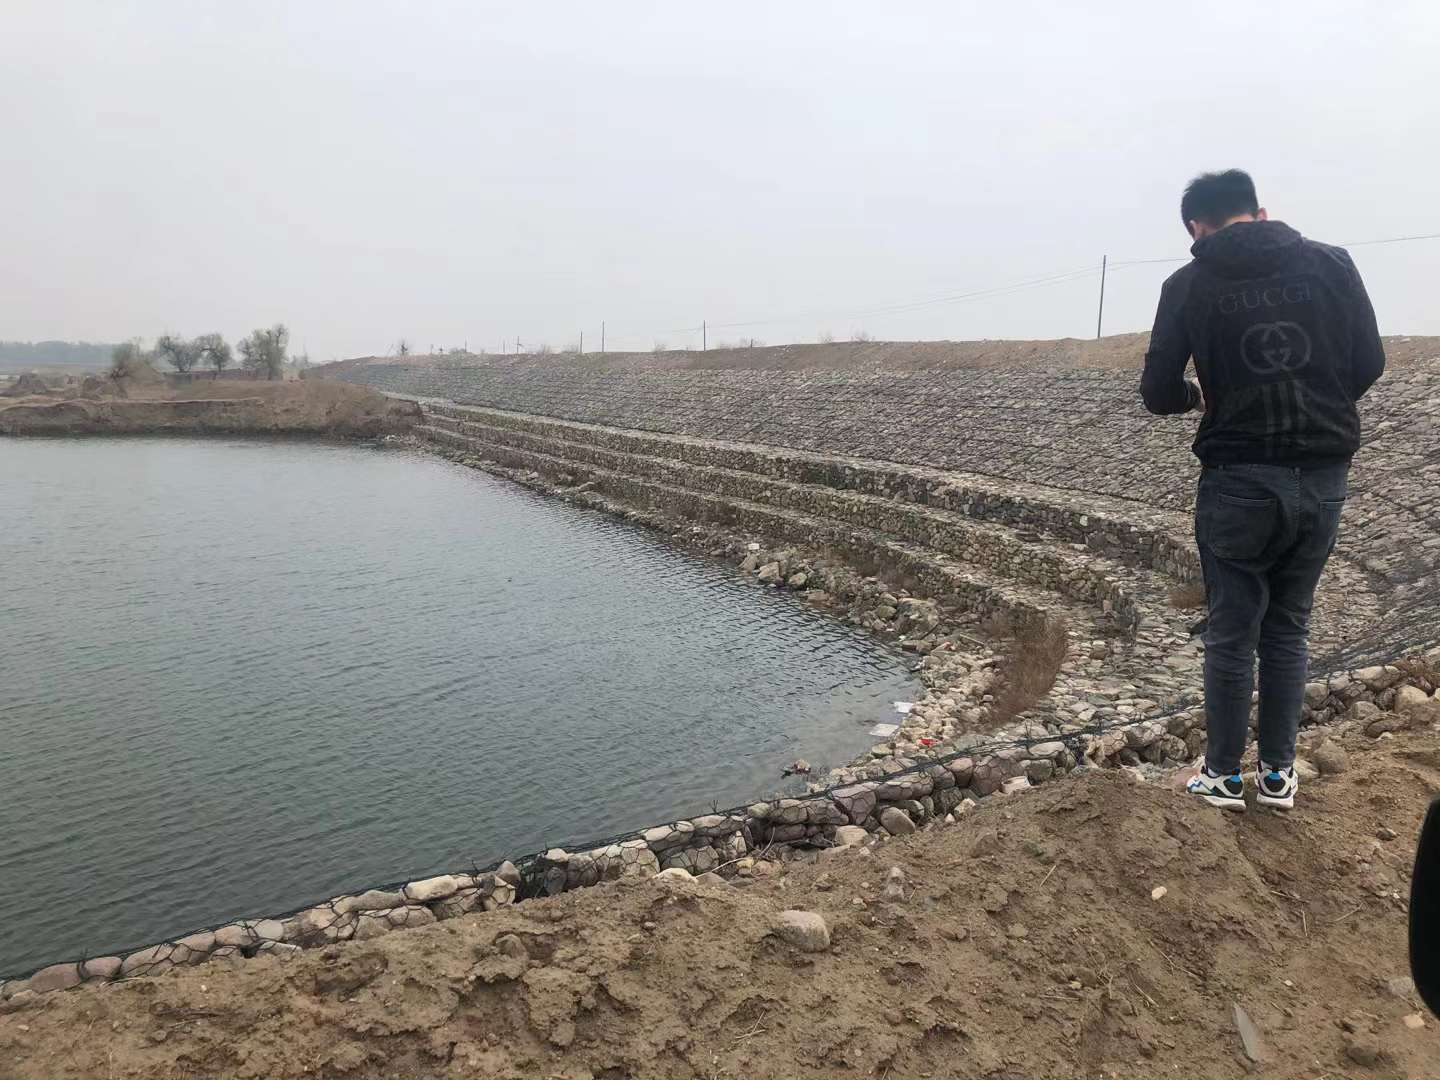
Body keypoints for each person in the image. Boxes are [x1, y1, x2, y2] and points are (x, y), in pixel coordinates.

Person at [1141, 169, 1386, 811]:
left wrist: (1199, 397)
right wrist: (1320, 404)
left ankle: (1222, 776)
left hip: (1238, 478)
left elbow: (1157, 392)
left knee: (1232, 629)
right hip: (1325, 473)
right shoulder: (1332, 264)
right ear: (1261, 211)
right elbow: (1370, 362)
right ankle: (1278, 774)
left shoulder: (1188, 284)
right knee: (1289, 626)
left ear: (1197, 227)